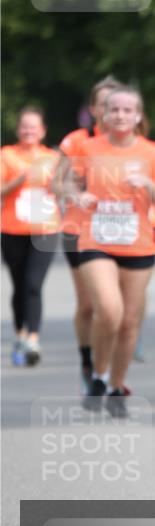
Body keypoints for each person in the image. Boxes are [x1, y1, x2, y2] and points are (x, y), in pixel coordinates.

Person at [76, 86, 155, 414]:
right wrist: (77, 196)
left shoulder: (153, 153)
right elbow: (61, 182)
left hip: (138, 242)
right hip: (96, 240)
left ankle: (116, 386)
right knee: (109, 311)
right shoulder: (87, 148)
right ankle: (98, 375)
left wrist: (148, 184)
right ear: (102, 113)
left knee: (130, 322)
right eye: (113, 109)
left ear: (138, 116)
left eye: (127, 110)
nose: (119, 115)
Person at [56, 75, 121, 392]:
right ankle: (88, 360)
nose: (111, 111)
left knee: (119, 305)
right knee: (88, 305)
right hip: (81, 229)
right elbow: (58, 182)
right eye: (104, 104)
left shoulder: (131, 142)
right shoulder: (78, 141)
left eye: (116, 104)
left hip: (124, 231)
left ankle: (113, 366)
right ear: (94, 109)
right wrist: (76, 193)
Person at [1, 107, 60, 366]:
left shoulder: (54, 158)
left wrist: (56, 186)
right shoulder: (7, 155)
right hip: (13, 228)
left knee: (33, 284)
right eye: (24, 127)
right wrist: (21, 179)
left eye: (33, 127)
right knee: (19, 284)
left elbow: (63, 189)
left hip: (45, 228)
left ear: (43, 131)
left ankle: (33, 338)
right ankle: (20, 332)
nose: (28, 131)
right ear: (18, 130)